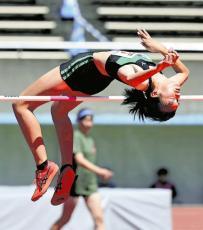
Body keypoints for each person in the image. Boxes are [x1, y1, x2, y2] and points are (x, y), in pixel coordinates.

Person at [12, 29, 189, 205]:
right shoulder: (172, 83)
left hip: (84, 68)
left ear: (155, 93)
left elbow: (130, 78)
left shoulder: (143, 83)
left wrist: (160, 67)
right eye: (178, 100)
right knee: (59, 112)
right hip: (97, 81)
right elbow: (184, 72)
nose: (178, 95)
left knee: (21, 105)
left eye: (172, 99)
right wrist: (159, 48)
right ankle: (67, 167)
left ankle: (43, 167)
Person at [50, 108, 113, 230]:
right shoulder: (76, 136)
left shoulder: (89, 139)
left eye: (91, 119)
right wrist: (100, 171)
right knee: (65, 218)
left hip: (89, 183)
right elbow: (79, 159)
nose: (89, 122)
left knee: (99, 219)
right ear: (79, 121)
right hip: (74, 183)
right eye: (86, 119)